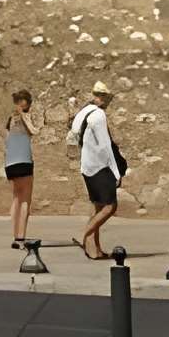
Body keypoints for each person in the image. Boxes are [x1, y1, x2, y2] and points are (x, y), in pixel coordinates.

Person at [70, 84, 123, 260]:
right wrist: (115, 172)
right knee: (110, 206)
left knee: (98, 206)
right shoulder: (99, 115)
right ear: (104, 97)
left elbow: (74, 133)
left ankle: (94, 250)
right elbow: (105, 146)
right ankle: (85, 233)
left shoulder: (84, 111)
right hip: (100, 166)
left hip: (87, 165)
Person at [2, 89, 37, 250]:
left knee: (16, 197)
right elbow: (33, 131)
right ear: (28, 103)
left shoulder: (11, 119)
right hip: (24, 161)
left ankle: (15, 234)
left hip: (10, 163)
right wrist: (25, 116)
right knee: (25, 200)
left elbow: (7, 139)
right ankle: (20, 237)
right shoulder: (24, 116)